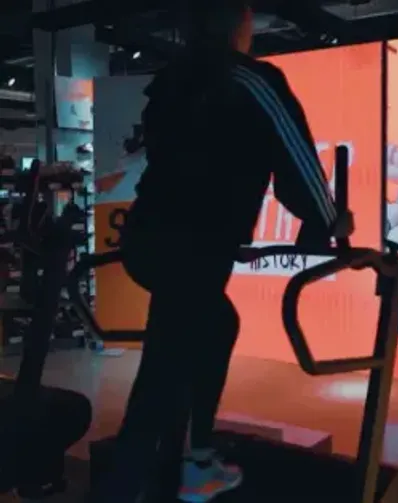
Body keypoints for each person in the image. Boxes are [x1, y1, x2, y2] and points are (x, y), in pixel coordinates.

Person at [96, 1, 354, 503]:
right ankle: (154, 478)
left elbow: (176, 162)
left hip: (150, 240)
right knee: (163, 377)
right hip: (192, 248)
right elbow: (297, 160)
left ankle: (187, 460)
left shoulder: (172, 81)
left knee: (208, 330)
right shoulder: (253, 80)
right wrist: (328, 220)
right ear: (239, 24)